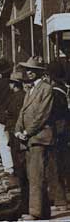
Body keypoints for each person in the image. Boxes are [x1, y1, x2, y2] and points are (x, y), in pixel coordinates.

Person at [14, 57, 54, 220]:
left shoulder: (45, 89)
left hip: (39, 137)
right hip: (30, 138)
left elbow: (42, 114)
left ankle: (35, 212)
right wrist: (18, 129)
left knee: (36, 175)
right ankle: (42, 210)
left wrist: (27, 132)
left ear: (39, 72)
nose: (28, 72)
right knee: (33, 175)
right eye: (27, 69)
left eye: (32, 70)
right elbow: (23, 112)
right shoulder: (30, 90)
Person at [47, 61, 69, 211]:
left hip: (58, 132)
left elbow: (55, 115)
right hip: (66, 131)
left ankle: (60, 199)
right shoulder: (64, 89)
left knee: (55, 165)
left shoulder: (54, 92)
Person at [7, 72, 29, 214]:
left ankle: (25, 202)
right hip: (19, 137)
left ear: (14, 84)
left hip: (17, 138)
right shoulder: (25, 96)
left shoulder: (16, 98)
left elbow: (11, 116)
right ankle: (25, 201)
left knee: (22, 171)